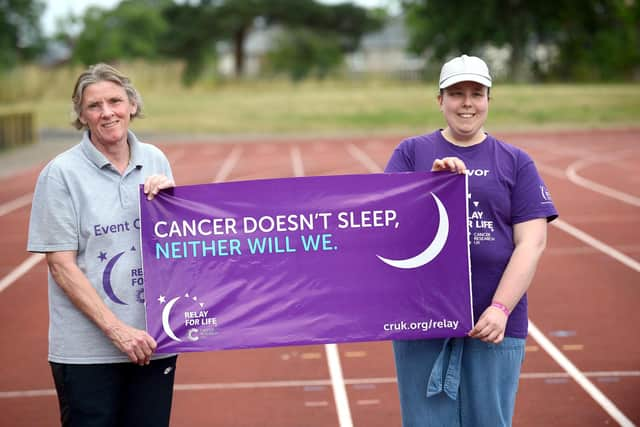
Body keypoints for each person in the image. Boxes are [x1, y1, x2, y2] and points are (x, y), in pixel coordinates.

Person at [386, 54, 558, 426]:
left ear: (488, 100)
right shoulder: (411, 153)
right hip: (423, 323)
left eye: (476, 93)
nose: (467, 103)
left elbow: (532, 243)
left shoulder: (515, 161)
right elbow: (389, 229)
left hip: (494, 326)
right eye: (456, 93)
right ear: (440, 100)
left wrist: (500, 308)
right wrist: (427, 187)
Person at [27, 63, 177, 427]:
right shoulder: (61, 174)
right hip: (87, 354)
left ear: (132, 106)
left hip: (153, 343)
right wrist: (118, 331)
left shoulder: (155, 159)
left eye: (115, 101)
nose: (107, 112)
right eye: (95, 105)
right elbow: (61, 265)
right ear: (81, 114)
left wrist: (175, 208)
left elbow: (176, 249)